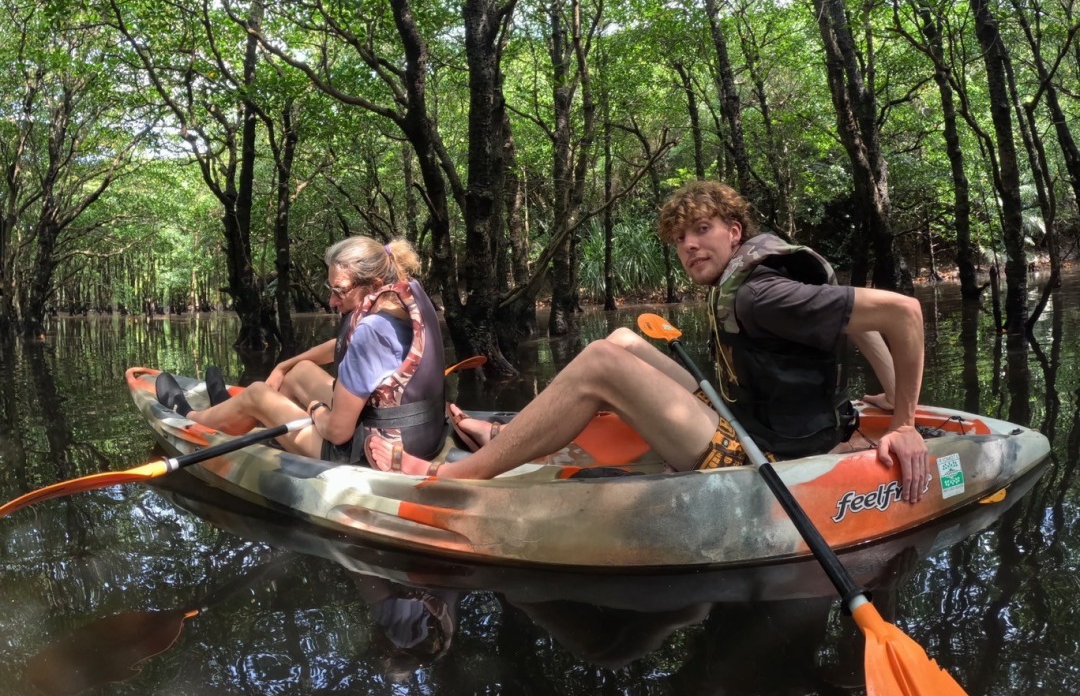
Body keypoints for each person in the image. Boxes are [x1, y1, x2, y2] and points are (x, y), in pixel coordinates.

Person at [366, 181, 929, 503]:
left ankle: (452, 475)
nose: (689, 247)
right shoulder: (763, 263)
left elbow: (903, 312)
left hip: (766, 451)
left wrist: (904, 424)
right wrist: (888, 392)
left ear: (734, 232)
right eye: (680, 239)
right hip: (753, 416)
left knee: (601, 362)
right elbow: (857, 316)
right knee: (622, 338)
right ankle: (517, 434)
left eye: (702, 231)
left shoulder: (761, 294)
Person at [155, 236, 446, 464]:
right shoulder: (401, 306)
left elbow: (337, 432)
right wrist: (284, 365)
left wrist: (316, 409)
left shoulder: (371, 330)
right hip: (422, 438)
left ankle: (191, 416)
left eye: (339, 290)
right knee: (301, 372)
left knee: (257, 392)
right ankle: (237, 412)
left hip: (370, 452)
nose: (331, 301)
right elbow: (344, 347)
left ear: (374, 284)